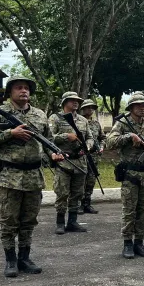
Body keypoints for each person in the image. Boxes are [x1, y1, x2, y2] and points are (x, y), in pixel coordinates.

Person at [0, 76, 65, 277]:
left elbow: (47, 141)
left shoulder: (39, 115)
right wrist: (11, 133)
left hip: (34, 176)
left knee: (29, 220)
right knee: (9, 221)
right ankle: (10, 260)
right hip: (10, 175)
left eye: (26, 88)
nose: (23, 91)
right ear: (10, 92)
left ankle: (24, 257)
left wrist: (53, 154)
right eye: (19, 88)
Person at [105, 93, 144, 259]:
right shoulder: (123, 122)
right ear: (130, 108)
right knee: (129, 210)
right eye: (138, 105)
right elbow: (109, 142)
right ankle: (127, 243)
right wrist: (129, 136)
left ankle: (139, 242)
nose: (142, 107)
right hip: (130, 173)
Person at [49, 91, 94, 234]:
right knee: (62, 193)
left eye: (77, 100)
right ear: (64, 102)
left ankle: (72, 222)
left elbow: (90, 138)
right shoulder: (55, 118)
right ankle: (60, 222)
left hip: (80, 162)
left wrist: (87, 146)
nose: (75, 102)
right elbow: (49, 138)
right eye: (72, 100)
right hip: (64, 161)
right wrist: (66, 136)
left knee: (77, 193)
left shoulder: (83, 120)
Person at [78, 98, 105, 214]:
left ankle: (87, 204)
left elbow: (102, 137)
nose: (90, 109)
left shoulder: (96, 123)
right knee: (80, 181)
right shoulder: (78, 122)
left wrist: (102, 147)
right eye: (88, 107)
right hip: (81, 156)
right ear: (83, 109)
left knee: (91, 180)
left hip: (93, 157)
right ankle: (78, 204)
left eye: (92, 107)